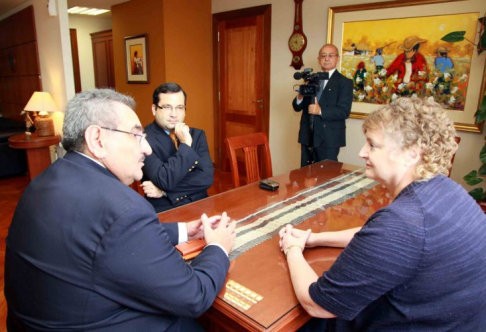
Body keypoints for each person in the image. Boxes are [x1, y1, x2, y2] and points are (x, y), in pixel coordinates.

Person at [5, 89, 236, 331]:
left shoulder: (44, 181)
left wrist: (185, 231)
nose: (146, 148)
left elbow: (107, 237)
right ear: (97, 139)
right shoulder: (123, 207)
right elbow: (193, 297)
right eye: (136, 135)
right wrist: (217, 247)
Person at [279, 97, 486, 331]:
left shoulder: (402, 223)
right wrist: (314, 239)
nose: (361, 152)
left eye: (372, 145)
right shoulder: (448, 191)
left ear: (411, 154)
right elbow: (377, 237)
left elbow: (317, 304)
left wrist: (292, 249)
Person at [142, 83, 214, 212]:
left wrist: (163, 191)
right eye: (167, 107)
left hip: (200, 203)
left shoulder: (197, 135)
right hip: (167, 209)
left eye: (179, 107)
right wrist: (186, 145)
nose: (174, 114)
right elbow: (165, 179)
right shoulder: (143, 138)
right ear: (154, 109)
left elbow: (206, 177)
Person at [292, 44, 353, 167]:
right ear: (318, 59)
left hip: (329, 138)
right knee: (305, 176)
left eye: (331, 55)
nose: (327, 58)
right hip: (308, 136)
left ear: (337, 58)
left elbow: (344, 111)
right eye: (323, 55)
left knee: (327, 177)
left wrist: (320, 111)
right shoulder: (311, 79)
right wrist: (300, 95)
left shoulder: (344, 82)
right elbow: (297, 107)